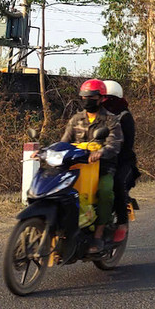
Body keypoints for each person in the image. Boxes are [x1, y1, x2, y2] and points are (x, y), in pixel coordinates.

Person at [60, 79, 124, 253]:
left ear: (101, 98)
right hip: (76, 168)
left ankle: (99, 234)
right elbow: (64, 142)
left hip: (102, 168)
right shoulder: (76, 119)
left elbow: (114, 144)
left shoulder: (111, 120)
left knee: (105, 192)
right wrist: (47, 151)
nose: (87, 100)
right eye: (84, 97)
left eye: (92, 97)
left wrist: (101, 153)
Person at [100, 80, 138, 243]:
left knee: (116, 184)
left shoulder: (124, 117)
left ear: (114, 98)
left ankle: (122, 223)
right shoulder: (97, 115)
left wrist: (109, 150)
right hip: (101, 160)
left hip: (123, 162)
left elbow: (126, 145)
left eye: (105, 98)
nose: (102, 102)